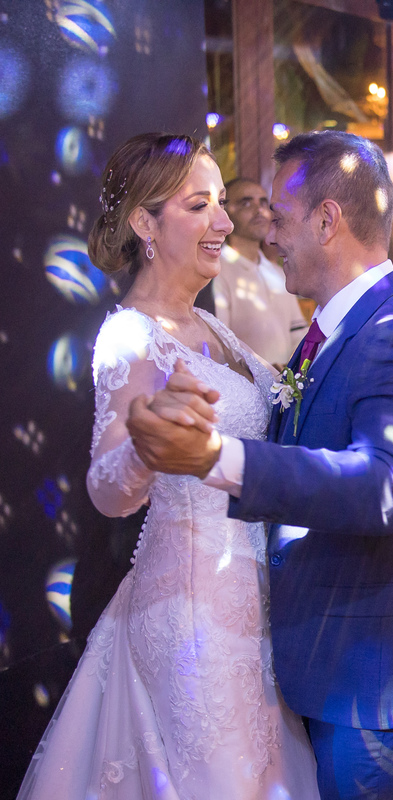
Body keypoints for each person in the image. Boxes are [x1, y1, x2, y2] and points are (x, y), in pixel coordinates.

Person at [124, 131, 393, 799]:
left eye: (280, 219)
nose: (267, 236)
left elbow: (382, 488)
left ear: (327, 221)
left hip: (376, 678)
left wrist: (217, 456)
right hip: (324, 657)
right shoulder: (335, 329)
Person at [18, 133, 320, 799]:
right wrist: (144, 449)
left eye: (221, 203)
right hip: (193, 617)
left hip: (254, 604)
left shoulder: (215, 328)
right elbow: (105, 488)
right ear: (145, 224)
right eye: (198, 206)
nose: (223, 222)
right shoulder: (131, 335)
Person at [213, 177, 308, 368]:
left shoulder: (279, 272)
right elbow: (219, 347)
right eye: (246, 203)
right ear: (225, 211)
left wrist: (293, 370)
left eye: (264, 203)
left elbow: (299, 334)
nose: (259, 210)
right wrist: (265, 370)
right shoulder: (216, 271)